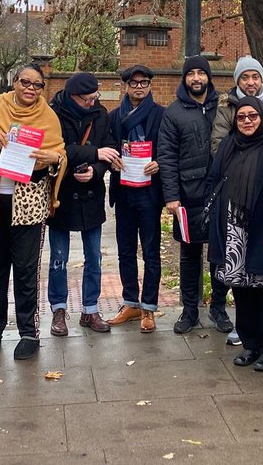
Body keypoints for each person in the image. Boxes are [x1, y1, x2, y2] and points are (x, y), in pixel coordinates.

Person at [0, 64, 68, 360]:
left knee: (26, 272)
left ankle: (28, 332)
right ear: (14, 82)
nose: (30, 89)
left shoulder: (48, 115)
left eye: (37, 85)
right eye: (25, 82)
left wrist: (52, 158)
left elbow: (59, 153)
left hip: (29, 204)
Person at [207, 97, 263, 371]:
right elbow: (214, 179)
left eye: (253, 116)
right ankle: (250, 343)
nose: (247, 121)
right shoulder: (229, 145)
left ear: (262, 117)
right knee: (241, 289)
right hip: (233, 227)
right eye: (241, 117)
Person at [159, 56, 229, 334]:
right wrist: (171, 196)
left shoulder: (223, 107)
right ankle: (189, 310)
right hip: (187, 196)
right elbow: (166, 156)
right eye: (192, 74)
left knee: (220, 253)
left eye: (202, 73)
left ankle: (219, 308)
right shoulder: (174, 112)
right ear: (185, 78)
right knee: (189, 254)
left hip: (220, 192)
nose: (197, 78)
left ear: (209, 77)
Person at [48, 72, 118, 336]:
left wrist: (97, 170)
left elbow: (109, 150)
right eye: (87, 100)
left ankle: (90, 309)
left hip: (91, 195)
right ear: (72, 96)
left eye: (94, 98)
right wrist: (93, 153)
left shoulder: (100, 114)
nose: (92, 103)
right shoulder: (53, 113)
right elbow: (57, 149)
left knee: (94, 259)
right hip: (60, 194)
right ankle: (58, 310)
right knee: (58, 259)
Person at [106, 64, 165, 332]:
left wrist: (160, 163)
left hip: (149, 193)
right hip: (125, 190)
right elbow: (106, 148)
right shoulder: (114, 116)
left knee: (151, 253)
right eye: (134, 82)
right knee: (125, 251)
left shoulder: (161, 115)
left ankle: (149, 308)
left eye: (144, 82)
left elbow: (169, 148)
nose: (139, 86)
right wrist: (112, 162)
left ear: (150, 85)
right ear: (126, 86)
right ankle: (131, 302)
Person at [210, 55, 263, 154]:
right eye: (245, 78)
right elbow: (218, 144)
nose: (250, 82)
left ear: (261, 79)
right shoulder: (226, 108)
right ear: (237, 81)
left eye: (255, 77)